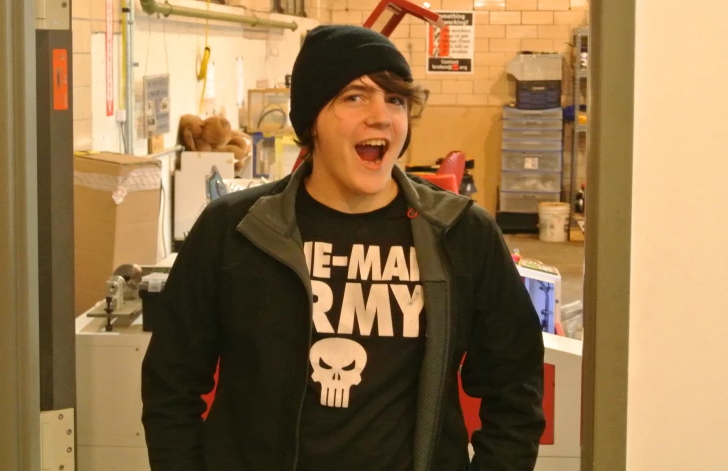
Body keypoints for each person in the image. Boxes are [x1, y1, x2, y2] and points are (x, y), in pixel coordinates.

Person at [141, 25, 545, 471]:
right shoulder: (235, 230)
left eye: (395, 100)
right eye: (355, 96)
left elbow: (515, 389)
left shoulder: (461, 233)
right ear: (311, 120)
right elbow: (171, 384)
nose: (381, 115)